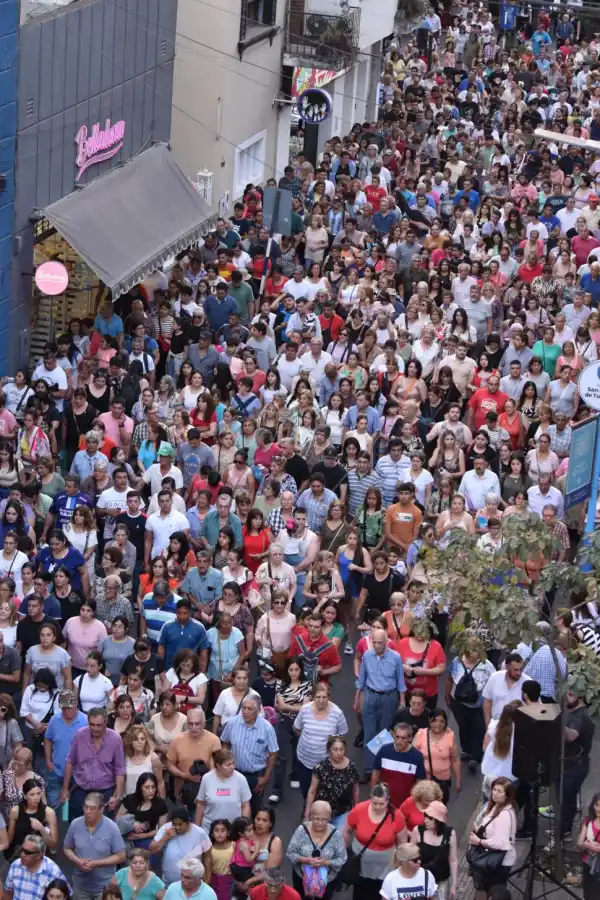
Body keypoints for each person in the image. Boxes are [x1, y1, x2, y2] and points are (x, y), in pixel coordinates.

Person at [60, 706, 126, 821]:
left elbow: (119, 770)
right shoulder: (80, 735)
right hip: (81, 790)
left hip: (105, 792)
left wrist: (117, 796)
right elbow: (70, 761)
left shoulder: (115, 739)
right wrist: (65, 789)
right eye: (92, 725)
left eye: (98, 725)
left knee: (103, 831)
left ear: (105, 723)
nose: (95, 728)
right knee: (77, 827)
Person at [355, 629, 406, 778]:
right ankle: (370, 770)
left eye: (380, 642)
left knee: (384, 734)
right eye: (374, 642)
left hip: (388, 697)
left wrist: (402, 701)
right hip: (370, 696)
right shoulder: (367, 655)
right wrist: (357, 698)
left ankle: (383, 768)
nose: (376, 645)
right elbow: (361, 680)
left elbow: (400, 681)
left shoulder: (395, 657)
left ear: (386, 642)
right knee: (369, 733)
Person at [344, 783, 408, 900]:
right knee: (360, 894)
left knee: (381, 894)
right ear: (370, 798)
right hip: (360, 864)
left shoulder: (397, 817)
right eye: (374, 803)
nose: (378, 807)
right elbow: (346, 831)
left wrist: (400, 864)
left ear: (388, 800)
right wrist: (343, 852)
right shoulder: (359, 810)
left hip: (385, 867)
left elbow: (402, 844)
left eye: (381, 804)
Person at [63, 790, 127, 900]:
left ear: (101, 809)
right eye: (86, 807)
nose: (87, 811)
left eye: (92, 808)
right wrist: (78, 861)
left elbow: (121, 856)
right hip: (80, 885)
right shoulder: (75, 824)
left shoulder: (112, 827)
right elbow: (67, 848)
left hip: (105, 887)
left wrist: (96, 863)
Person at [220, 696, 278, 816]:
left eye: (250, 709)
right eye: (244, 708)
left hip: (256, 776)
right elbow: (224, 742)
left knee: (255, 808)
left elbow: (273, 753)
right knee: (233, 805)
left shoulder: (267, 728)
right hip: (234, 773)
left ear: (258, 710)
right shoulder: (232, 723)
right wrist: (225, 764)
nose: (246, 712)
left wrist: (266, 777)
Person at [445, 635, 496, 772]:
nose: (473, 655)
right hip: (459, 703)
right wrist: (447, 696)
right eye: (471, 651)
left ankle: (475, 756)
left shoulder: (487, 666)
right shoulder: (456, 662)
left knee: (478, 729)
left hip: (479, 704)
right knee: (464, 726)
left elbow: (492, 685)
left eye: (476, 651)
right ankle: (466, 750)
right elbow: (449, 679)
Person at [293, 682, 348, 799]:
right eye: (318, 697)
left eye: (324, 697)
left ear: (329, 697)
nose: (321, 700)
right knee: (306, 790)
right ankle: (308, 811)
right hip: (304, 761)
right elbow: (297, 728)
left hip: (326, 764)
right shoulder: (305, 709)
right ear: (313, 697)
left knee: (324, 794)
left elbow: (342, 735)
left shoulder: (337, 713)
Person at [286, 800, 347, 900]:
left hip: (326, 880)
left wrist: (325, 862)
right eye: (316, 819)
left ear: (329, 818)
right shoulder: (302, 830)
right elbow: (290, 852)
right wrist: (306, 860)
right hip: (302, 878)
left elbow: (342, 858)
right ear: (310, 817)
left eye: (324, 819)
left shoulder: (336, 835)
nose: (320, 823)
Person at [468, 777, 517, 900]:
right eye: (494, 789)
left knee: (493, 890)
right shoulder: (496, 806)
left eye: (500, 791)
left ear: (507, 795)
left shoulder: (505, 815)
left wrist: (479, 841)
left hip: (498, 861)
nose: (495, 793)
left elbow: (500, 843)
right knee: (485, 887)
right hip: (493, 857)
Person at [42, 688, 87, 811]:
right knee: (55, 808)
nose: (67, 712)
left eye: (70, 708)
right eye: (64, 708)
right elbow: (48, 739)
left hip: (78, 773)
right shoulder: (54, 720)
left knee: (76, 808)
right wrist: (48, 760)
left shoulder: (85, 721)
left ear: (76, 705)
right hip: (56, 770)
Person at [304, 735, 360, 829]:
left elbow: (356, 790)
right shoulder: (321, 767)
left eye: (341, 749)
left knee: (340, 839)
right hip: (322, 812)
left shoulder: (351, 767)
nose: (339, 753)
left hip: (343, 811)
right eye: (335, 749)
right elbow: (312, 791)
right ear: (329, 750)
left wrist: (357, 809)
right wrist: (307, 813)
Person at [149, 806, 212, 887]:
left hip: (193, 885)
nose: (177, 827)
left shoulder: (200, 833)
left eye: (180, 824)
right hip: (169, 884)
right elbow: (152, 850)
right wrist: (165, 838)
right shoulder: (166, 828)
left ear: (188, 821)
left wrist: (207, 881)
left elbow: (208, 857)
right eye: (174, 824)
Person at [166, 708, 221, 801]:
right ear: (187, 724)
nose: (194, 727)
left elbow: (218, 766)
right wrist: (185, 776)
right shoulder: (177, 740)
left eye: (197, 723)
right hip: (183, 789)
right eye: (190, 724)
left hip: (207, 790)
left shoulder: (214, 740)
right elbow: (170, 764)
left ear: (204, 723)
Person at [371, 722, 426, 808]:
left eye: (403, 738)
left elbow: (420, 783)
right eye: (397, 737)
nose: (399, 741)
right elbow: (375, 775)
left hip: (406, 805)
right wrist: (373, 795)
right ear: (393, 736)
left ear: (410, 738)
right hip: (384, 803)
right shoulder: (384, 750)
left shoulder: (417, 756)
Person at [195, 748, 252, 831]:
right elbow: (200, 804)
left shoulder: (241, 779)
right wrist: (197, 828)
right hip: (210, 829)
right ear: (218, 766)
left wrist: (243, 828)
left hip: (233, 829)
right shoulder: (207, 779)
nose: (232, 767)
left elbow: (245, 806)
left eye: (233, 763)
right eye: (228, 765)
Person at [3, 834, 67, 900]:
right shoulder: (15, 865)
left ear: (39, 855)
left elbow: (66, 895)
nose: (22, 854)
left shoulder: (53, 871)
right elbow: (8, 892)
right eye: (22, 850)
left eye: (27, 852)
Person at [117, 772, 168, 849]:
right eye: (147, 787)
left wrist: (141, 836)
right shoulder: (130, 799)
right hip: (127, 836)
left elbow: (162, 830)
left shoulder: (160, 804)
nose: (151, 791)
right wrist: (132, 824)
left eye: (153, 787)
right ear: (140, 788)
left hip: (147, 838)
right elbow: (118, 818)